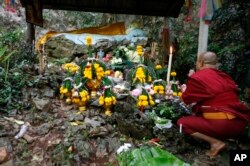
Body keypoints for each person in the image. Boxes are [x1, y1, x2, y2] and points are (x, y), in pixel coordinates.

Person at [177, 51, 250, 157]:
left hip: (222, 125)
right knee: (201, 113)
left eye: (196, 63)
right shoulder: (225, 77)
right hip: (240, 124)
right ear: (216, 64)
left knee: (182, 123)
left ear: (201, 63)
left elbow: (185, 99)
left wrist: (190, 81)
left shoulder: (198, 77)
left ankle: (215, 143)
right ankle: (224, 139)